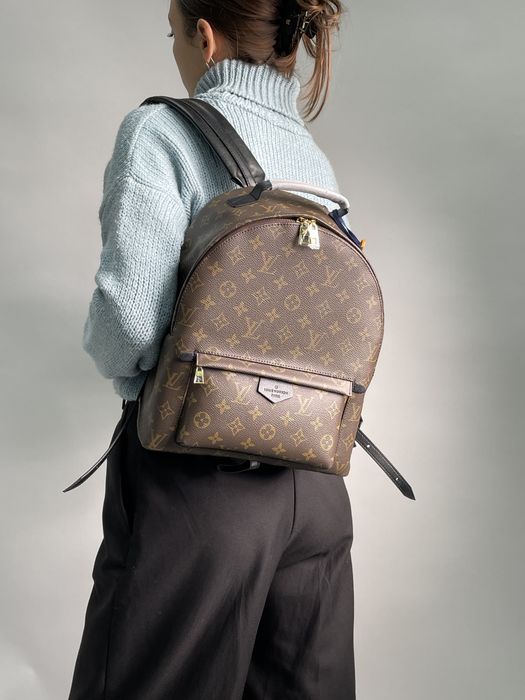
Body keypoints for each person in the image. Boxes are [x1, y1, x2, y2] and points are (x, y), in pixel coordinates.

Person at [67, 1, 355, 698]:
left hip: (196, 481)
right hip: (315, 486)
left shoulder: (161, 130)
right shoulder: (310, 157)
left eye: (172, 32)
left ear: (203, 36)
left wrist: (119, 367)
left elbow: (129, 324)